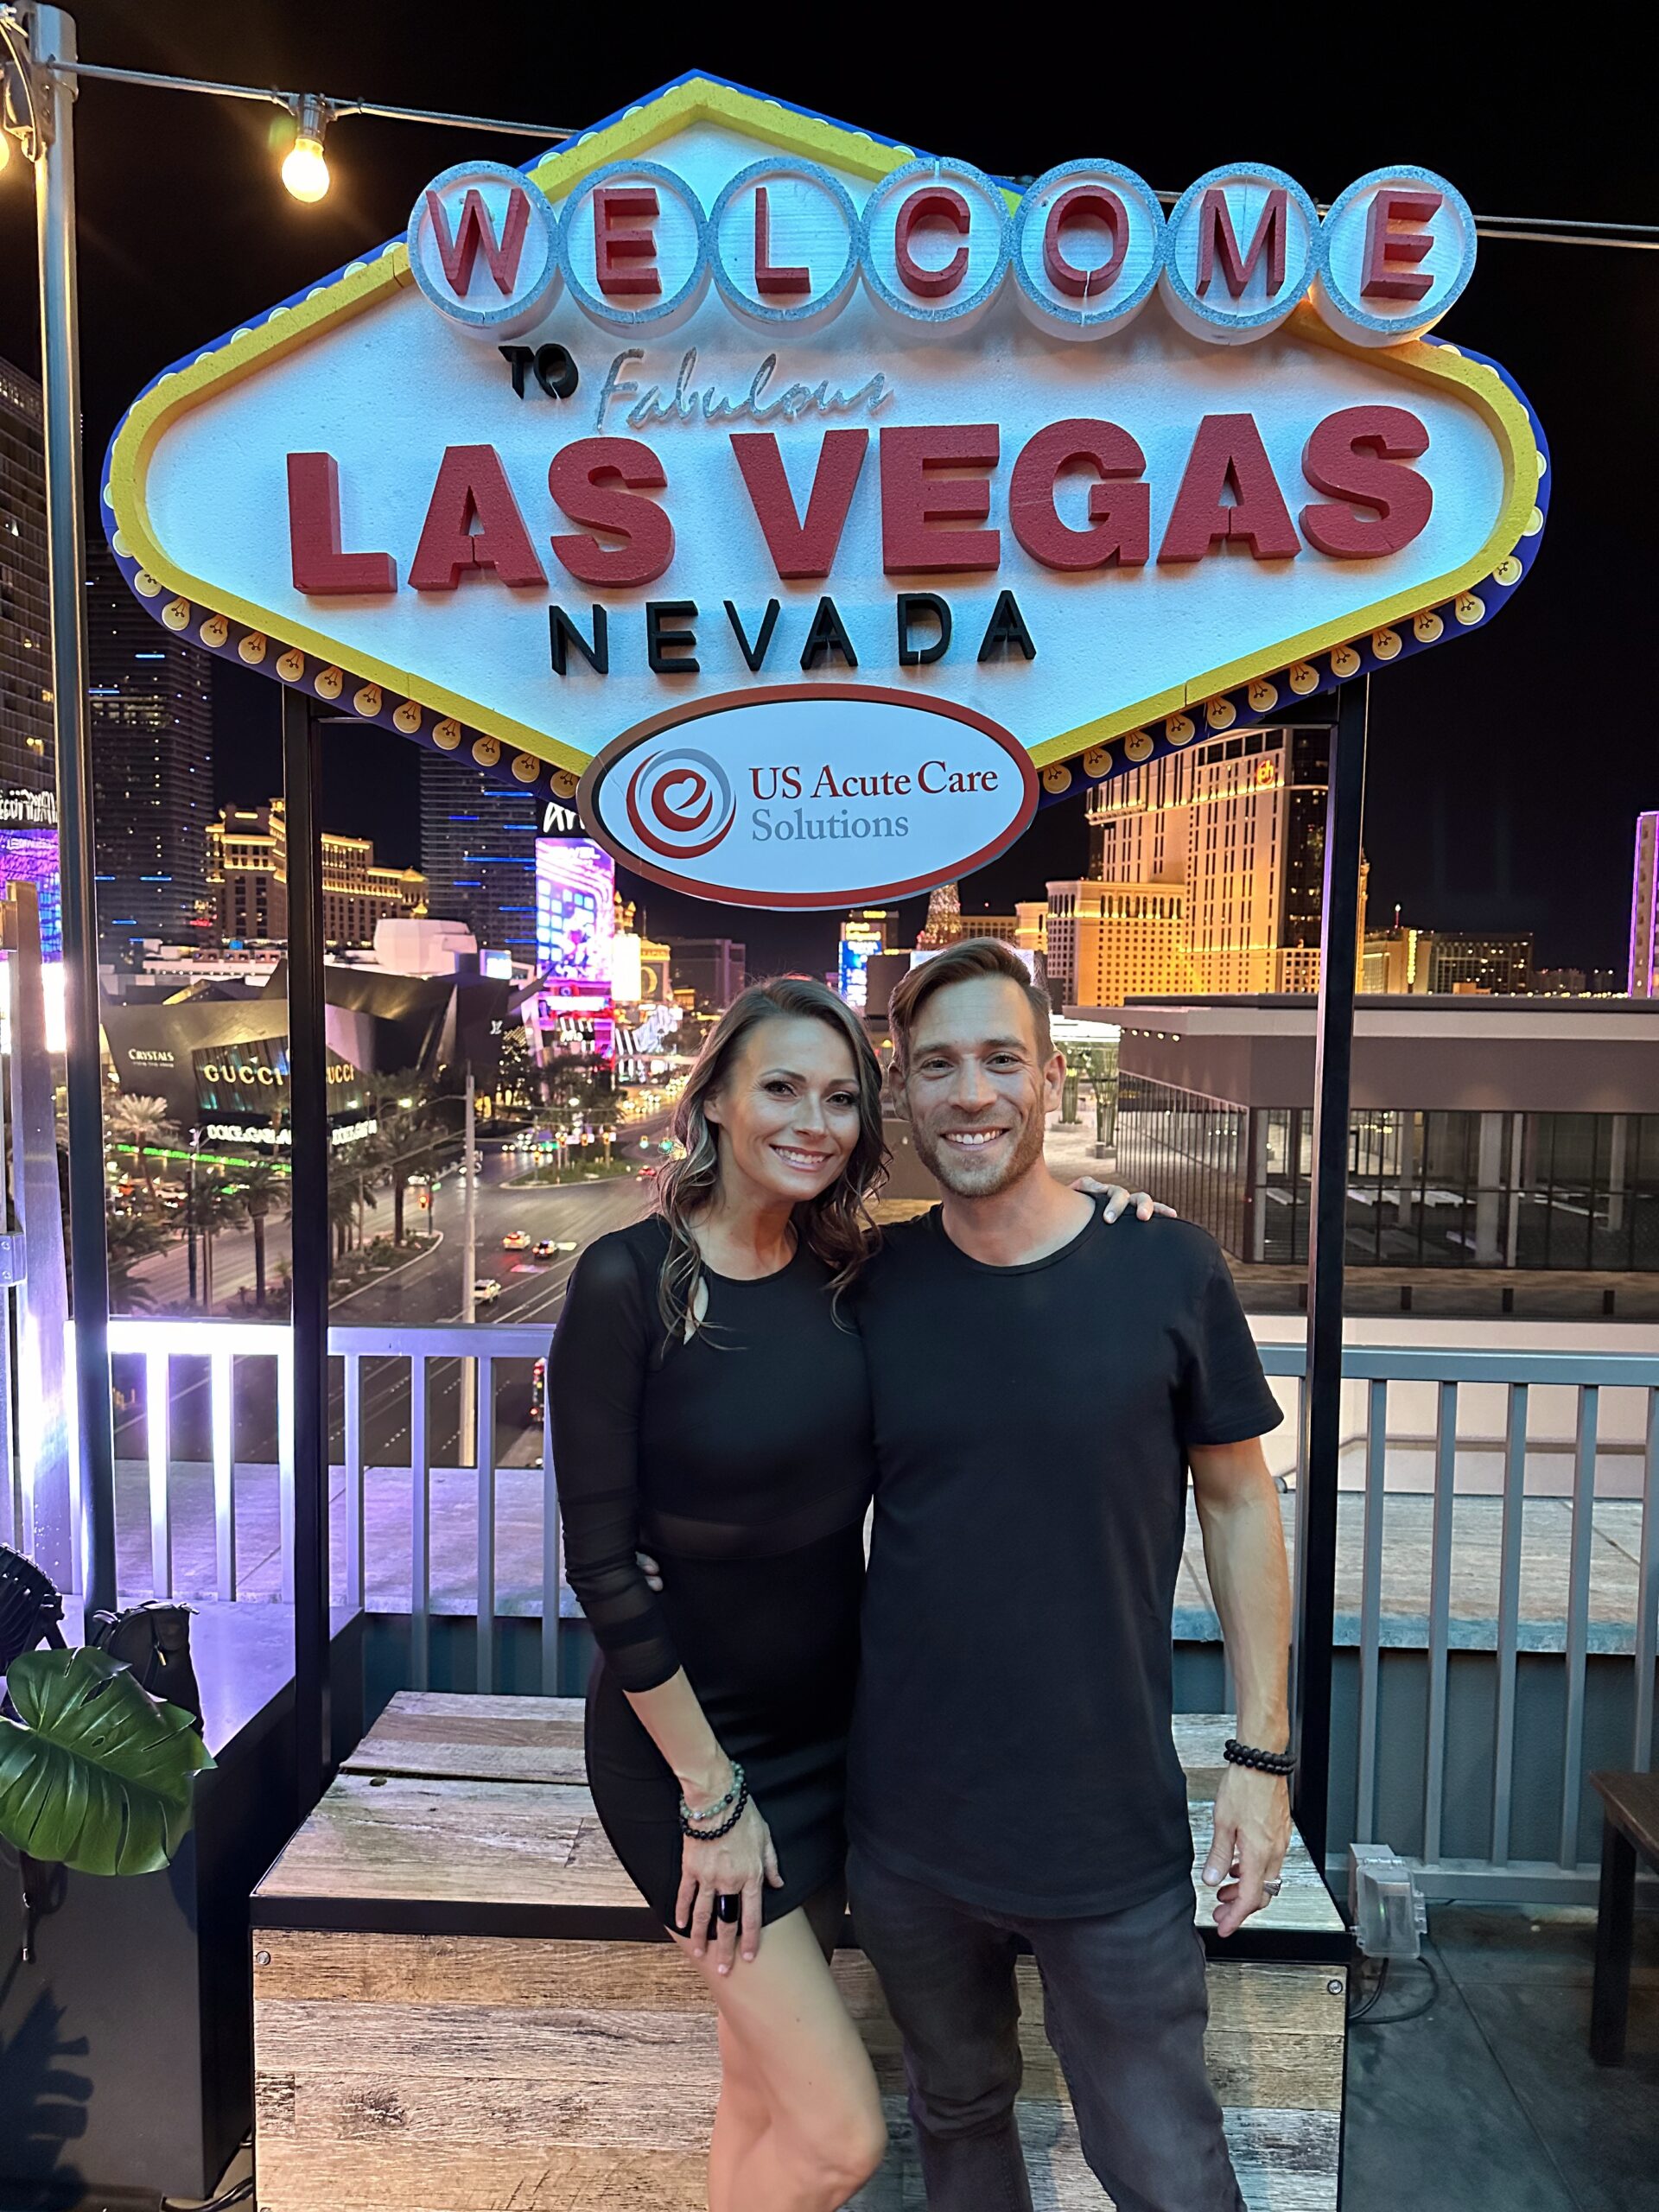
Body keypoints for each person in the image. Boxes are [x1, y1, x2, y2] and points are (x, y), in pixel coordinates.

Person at [550, 972, 1163, 2210]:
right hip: (692, 1762)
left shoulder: (853, 1272)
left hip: (837, 1742)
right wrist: (712, 1799)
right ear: (715, 1098)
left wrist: (1114, 1220)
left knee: (758, 2090)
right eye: (780, 1088)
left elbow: (1012, 1259)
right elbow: (601, 1567)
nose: (812, 1122)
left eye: (839, 1097)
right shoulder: (629, 1284)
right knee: (840, 2140)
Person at [846, 938, 1294, 2212]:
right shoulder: (870, 1285)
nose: (970, 1092)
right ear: (904, 1093)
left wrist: (1261, 1767)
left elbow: (1240, 1501)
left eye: (999, 1059)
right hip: (911, 1833)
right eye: (937, 1065)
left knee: (1164, 2164)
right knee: (960, 2123)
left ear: (1051, 1077)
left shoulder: (1165, 1264)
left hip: (1108, 1834)